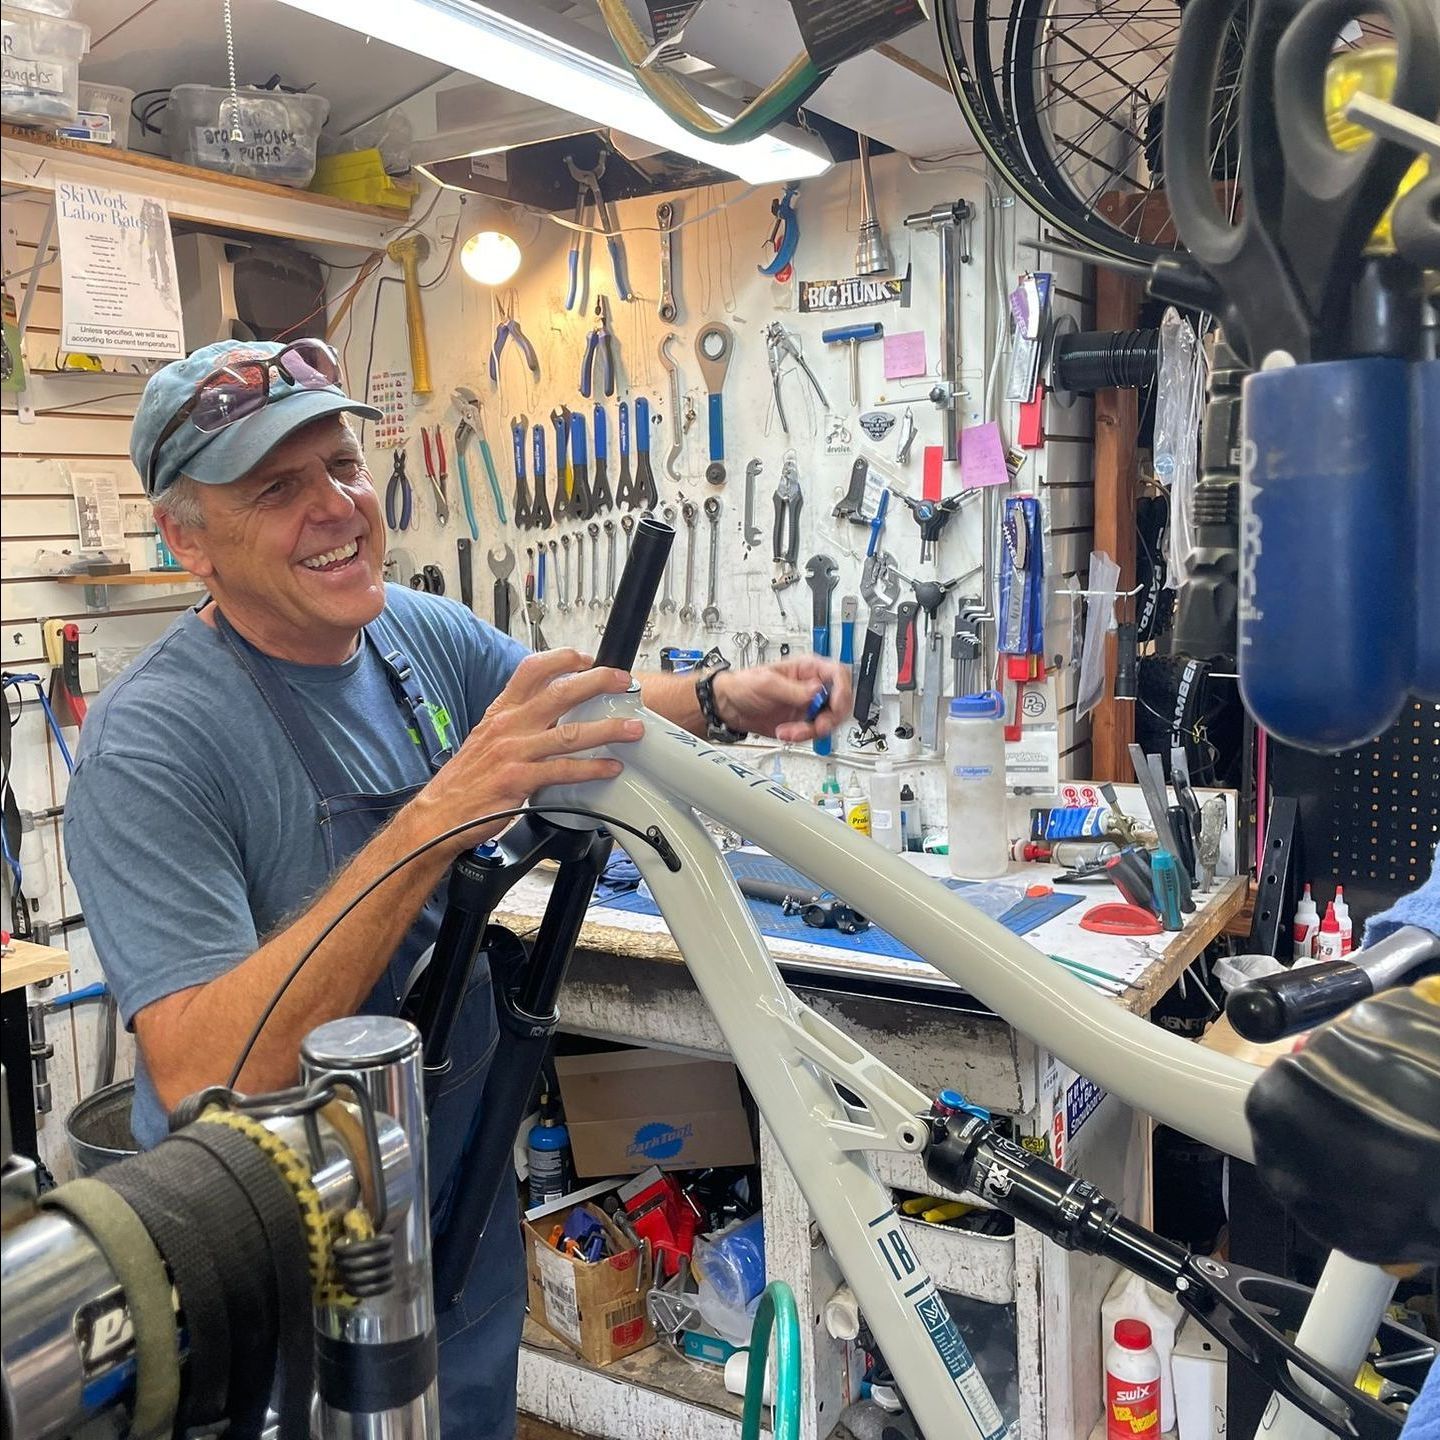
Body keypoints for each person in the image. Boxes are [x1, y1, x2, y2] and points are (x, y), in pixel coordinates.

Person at [63, 338, 852, 1436]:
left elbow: (563, 711)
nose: (339, 506)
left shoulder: (410, 633)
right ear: (186, 540)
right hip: (283, 1245)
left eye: (342, 465)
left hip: (454, 1185)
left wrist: (724, 698)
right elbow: (208, 1073)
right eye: (278, 487)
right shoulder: (153, 743)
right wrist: (436, 820)